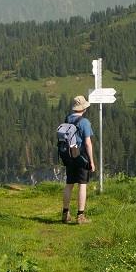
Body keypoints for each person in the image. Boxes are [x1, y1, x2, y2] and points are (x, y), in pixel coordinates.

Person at [61, 95, 96, 224]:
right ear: (84, 108)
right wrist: (91, 161)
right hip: (81, 156)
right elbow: (87, 143)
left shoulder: (68, 119)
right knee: (82, 184)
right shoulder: (84, 122)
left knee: (69, 184)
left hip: (69, 155)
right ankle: (80, 216)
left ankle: (65, 213)